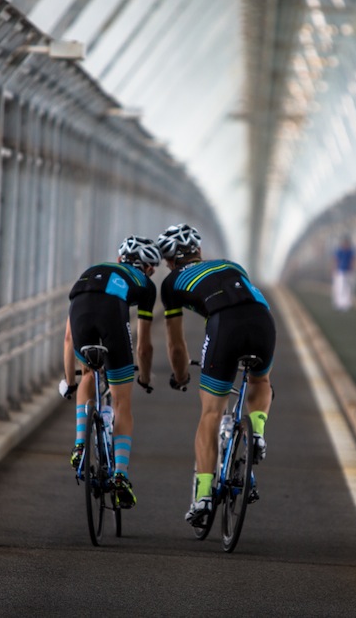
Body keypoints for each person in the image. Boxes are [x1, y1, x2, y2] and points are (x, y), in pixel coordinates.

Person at [156, 223, 276, 526]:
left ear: (169, 261)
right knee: (261, 380)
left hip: (225, 325)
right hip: (263, 319)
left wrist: (181, 375)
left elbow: (176, 344)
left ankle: (204, 496)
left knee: (211, 412)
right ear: (198, 251)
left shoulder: (171, 284)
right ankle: (257, 433)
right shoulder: (230, 264)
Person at [61, 236, 161, 508]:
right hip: (112, 317)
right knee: (121, 402)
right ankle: (120, 475)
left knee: (90, 374)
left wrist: (70, 382)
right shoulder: (146, 285)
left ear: (119, 259)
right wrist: (144, 377)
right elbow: (144, 345)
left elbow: (69, 338)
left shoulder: (89, 272)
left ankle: (80, 445)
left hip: (81, 309)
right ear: (149, 268)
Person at [332, 235, 356, 311]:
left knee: (347, 288)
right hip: (340, 272)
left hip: (348, 272)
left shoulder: (351, 251)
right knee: (339, 287)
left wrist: (352, 270)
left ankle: (346, 304)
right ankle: (339, 303)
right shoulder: (339, 251)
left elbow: (353, 260)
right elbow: (336, 260)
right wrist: (334, 269)